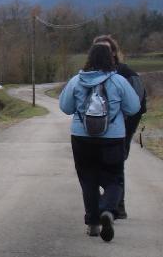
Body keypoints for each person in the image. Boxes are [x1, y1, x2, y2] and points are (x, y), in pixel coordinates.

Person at [59, 44, 140, 242]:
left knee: (88, 180)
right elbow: (134, 107)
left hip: (81, 137)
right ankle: (108, 211)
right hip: (112, 138)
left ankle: (93, 224)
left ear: (89, 58)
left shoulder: (77, 81)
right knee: (114, 179)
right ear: (110, 59)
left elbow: (65, 107)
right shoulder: (119, 81)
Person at [92, 34, 147, 219]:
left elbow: (137, 103)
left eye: (106, 49)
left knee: (117, 163)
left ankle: (117, 206)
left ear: (114, 52)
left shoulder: (127, 74)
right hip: (96, 128)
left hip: (122, 127)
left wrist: (124, 126)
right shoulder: (90, 74)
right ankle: (107, 203)